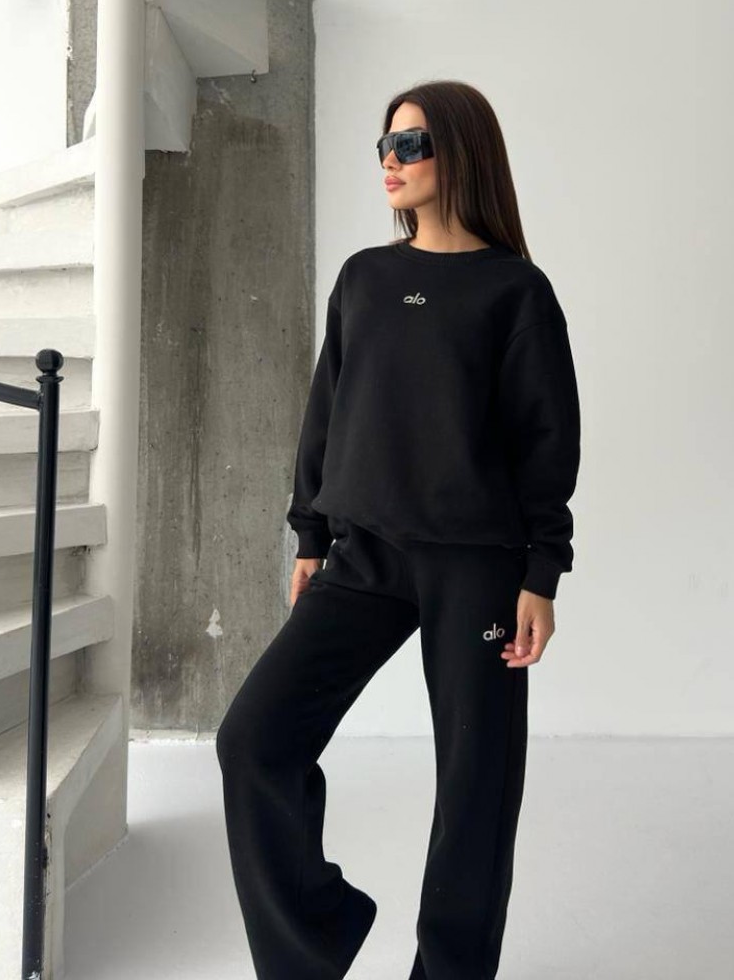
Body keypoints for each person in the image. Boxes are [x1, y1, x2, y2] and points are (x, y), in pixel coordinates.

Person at [215, 79, 581, 980]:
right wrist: (310, 534)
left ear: (462, 153)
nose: (391, 159)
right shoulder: (365, 278)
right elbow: (327, 410)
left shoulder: (515, 291)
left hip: (480, 567)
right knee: (254, 740)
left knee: (475, 787)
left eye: (411, 144)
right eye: (385, 144)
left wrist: (542, 572)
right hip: (364, 556)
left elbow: (546, 439)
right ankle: (314, 939)